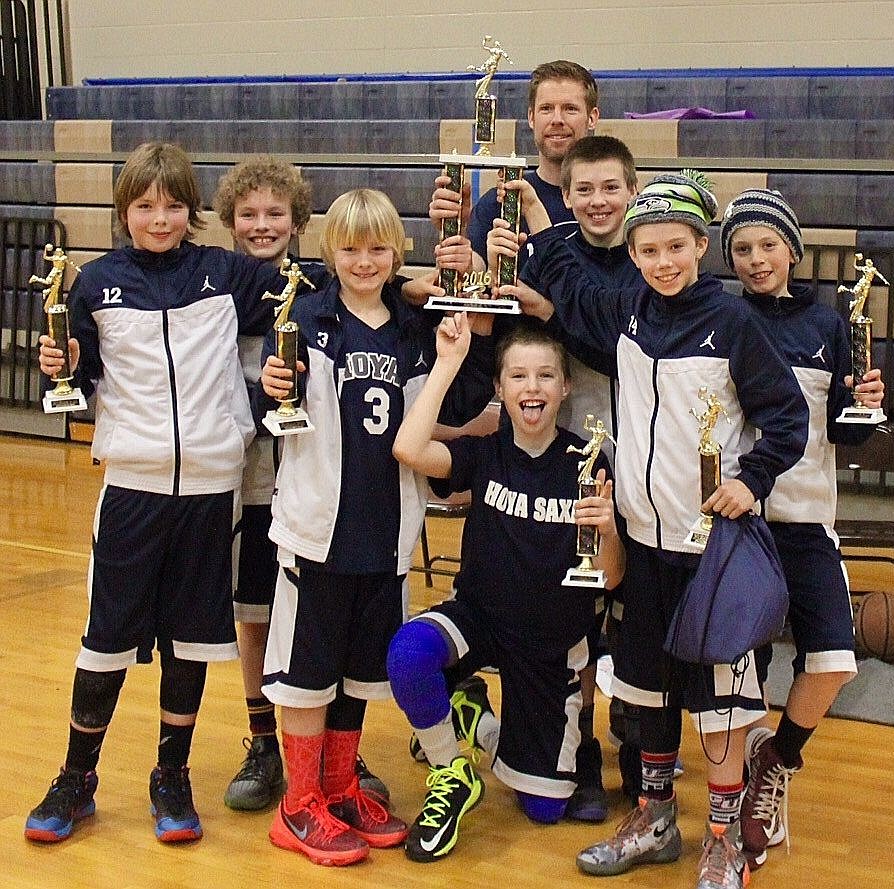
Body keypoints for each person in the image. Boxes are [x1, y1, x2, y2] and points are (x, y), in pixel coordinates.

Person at [502, 171, 809, 889]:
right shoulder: (628, 310)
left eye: (677, 245)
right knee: (646, 693)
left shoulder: (736, 323)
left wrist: (750, 479)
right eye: (648, 248)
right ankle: (655, 816)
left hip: (713, 553)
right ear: (633, 253)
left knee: (723, 703)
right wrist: (544, 217)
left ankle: (727, 837)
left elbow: (789, 420)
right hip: (642, 545)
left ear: (702, 244)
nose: (663, 260)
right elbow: (572, 286)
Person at [25, 141, 288, 844]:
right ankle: (76, 776)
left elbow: (306, 309)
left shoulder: (226, 273)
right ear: (125, 211)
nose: (161, 217)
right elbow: (78, 381)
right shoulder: (95, 283)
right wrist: (62, 362)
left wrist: (248, 419)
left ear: (192, 211)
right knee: (105, 642)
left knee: (192, 643)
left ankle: (171, 775)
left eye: (173, 204)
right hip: (133, 488)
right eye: (146, 205)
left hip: (210, 490)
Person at [257, 188, 494, 867]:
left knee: (360, 674)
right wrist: (275, 383)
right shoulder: (305, 318)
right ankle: (299, 803)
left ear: (397, 253)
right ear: (330, 251)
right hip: (317, 532)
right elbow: (274, 402)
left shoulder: (409, 330)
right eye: (351, 248)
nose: (364, 261)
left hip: (386, 532)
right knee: (308, 675)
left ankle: (339, 787)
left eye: (378, 248)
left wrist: (452, 360)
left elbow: (421, 426)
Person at [388, 320, 625, 862]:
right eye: (517, 376)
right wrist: (448, 364)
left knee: (544, 809)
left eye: (545, 376)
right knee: (407, 656)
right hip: (480, 616)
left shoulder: (588, 462)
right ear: (499, 388)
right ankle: (452, 774)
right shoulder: (486, 452)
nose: (532, 387)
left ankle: (479, 722)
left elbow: (610, 578)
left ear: (565, 387)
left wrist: (608, 530)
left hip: (550, 644)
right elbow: (408, 447)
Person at [213, 156, 389, 812]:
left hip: (320, 469)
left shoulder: (324, 283)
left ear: (297, 221)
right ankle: (265, 741)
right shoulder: (214, 283)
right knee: (255, 609)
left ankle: (339, 744)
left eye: (275, 214)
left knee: (330, 610)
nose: (262, 226)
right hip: (252, 471)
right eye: (249, 214)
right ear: (230, 221)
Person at [719, 189, 885, 870]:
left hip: (809, 517)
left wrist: (862, 405)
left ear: (791, 247)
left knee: (833, 660)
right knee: (744, 671)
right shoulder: (722, 319)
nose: (757, 259)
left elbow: (842, 430)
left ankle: (778, 761)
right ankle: (753, 801)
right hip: (742, 521)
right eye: (742, 249)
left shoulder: (827, 323)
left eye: (767, 245)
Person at [486, 134, 643, 818]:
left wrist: (553, 309)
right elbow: (523, 345)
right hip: (567, 451)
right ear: (566, 193)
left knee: (639, 608)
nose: (598, 200)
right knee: (574, 605)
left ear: (632, 192)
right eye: (584, 189)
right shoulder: (550, 253)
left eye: (611, 187)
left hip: (643, 457)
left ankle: (639, 743)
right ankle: (578, 752)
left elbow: (619, 348)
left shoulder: (648, 257)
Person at [430, 59, 600, 271]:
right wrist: (455, 231)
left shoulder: (606, 205)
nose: (557, 119)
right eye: (546, 109)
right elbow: (475, 272)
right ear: (531, 117)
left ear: (592, 118)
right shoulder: (499, 202)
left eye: (570, 109)